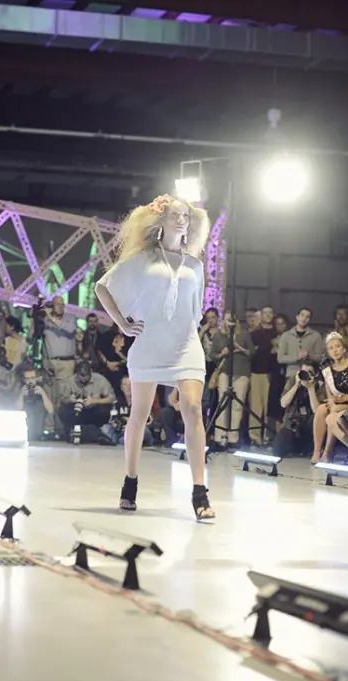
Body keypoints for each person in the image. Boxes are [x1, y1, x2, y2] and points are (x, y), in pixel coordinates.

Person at [95, 193, 214, 520]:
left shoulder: (195, 266)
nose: (181, 220)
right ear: (160, 219)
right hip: (148, 343)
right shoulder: (142, 259)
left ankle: (200, 491)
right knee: (139, 414)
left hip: (186, 344)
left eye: (186, 215)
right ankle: (130, 480)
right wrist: (122, 324)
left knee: (193, 408)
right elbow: (103, 287)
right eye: (174, 214)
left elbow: (194, 313)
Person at [16, 364, 54, 441]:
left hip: (39, 418)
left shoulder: (42, 386)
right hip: (25, 420)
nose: (30, 381)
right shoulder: (20, 387)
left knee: (39, 405)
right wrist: (21, 395)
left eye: (32, 378)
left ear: (36, 378)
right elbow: (17, 411)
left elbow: (51, 410)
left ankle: (38, 434)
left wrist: (43, 394)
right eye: (28, 379)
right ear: (24, 379)